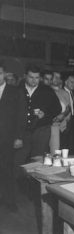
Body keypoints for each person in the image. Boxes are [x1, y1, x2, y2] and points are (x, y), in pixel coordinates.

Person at [15, 65, 61, 168]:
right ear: (25, 76)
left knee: (37, 161)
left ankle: (35, 183)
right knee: (19, 161)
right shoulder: (18, 90)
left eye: (36, 78)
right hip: (22, 131)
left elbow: (57, 109)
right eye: (31, 77)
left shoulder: (47, 90)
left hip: (41, 130)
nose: (34, 81)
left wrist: (45, 115)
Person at [0, 63, 24, 211]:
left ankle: (10, 201)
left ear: (4, 74)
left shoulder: (15, 91)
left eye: (0, 73)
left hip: (8, 139)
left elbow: (21, 116)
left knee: (7, 169)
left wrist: (19, 137)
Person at [49, 71, 71, 154]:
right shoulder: (47, 91)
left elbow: (69, 108)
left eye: (59, 77)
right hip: (50, 125)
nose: (57, 79)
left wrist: (64, 115)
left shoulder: (64, 93)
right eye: (55, 77)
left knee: (61, 151)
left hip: (63, 127)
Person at [61, 75, 74, 152]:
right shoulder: (61, 93)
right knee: (64, 144)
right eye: (71, 82)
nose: (73, 84)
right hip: (65, 121)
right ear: (66, 82)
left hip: (73, 121)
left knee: (71, 144)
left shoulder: (73, 94)